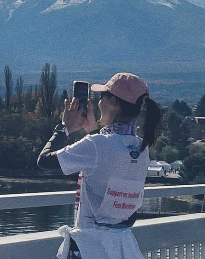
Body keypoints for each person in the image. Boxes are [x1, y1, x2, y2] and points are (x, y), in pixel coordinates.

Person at [36, 73, 162, 259]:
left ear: (114, 103)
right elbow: (108, 164)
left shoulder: (96, 145)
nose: (98, 103)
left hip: (89, 247)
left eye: (101, 97)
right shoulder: (140, 148)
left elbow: (44, 160)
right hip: (121, 247)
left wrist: (65, 126)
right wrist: (92, 131)